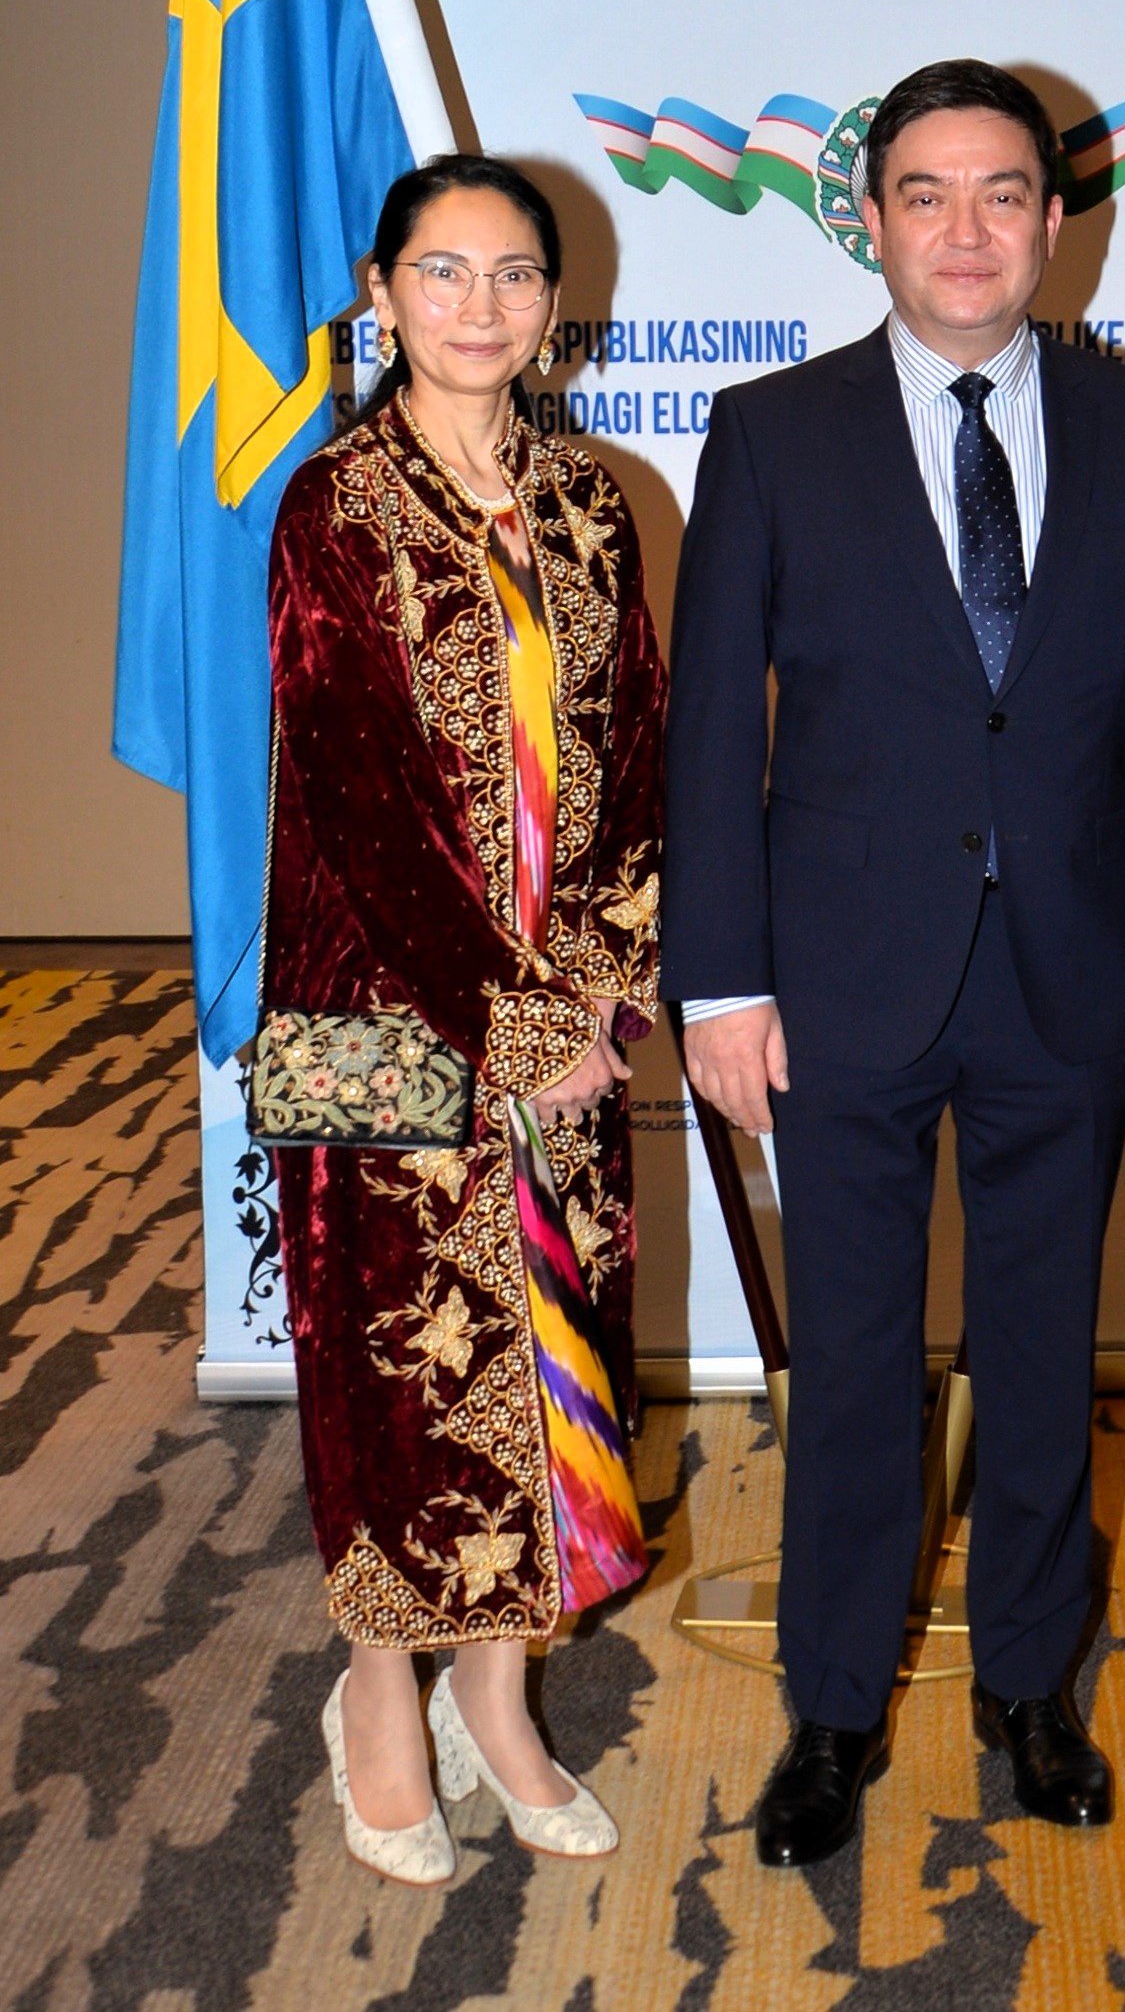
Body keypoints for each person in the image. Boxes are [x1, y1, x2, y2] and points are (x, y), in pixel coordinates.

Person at [661, 59, 1125, 1868]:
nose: (967, 230)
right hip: (834, 980)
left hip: (1073, 974)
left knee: (1041, 1346)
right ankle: (834, 1705)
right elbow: (711, 732)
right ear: (872, 222)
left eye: (1002, 193)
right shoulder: (770, 432)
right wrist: (717, 985)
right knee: (850, 1359)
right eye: (926, 194)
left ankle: (1026, 1686)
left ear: (1054, 222)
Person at [264, 153, 665, 1883]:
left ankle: (497, 1702)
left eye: (514, 275)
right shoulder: (336, 504)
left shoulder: (588, 499)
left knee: (557, 1360)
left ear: (555, 305)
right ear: (382, 293)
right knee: (405, 1378)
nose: (480, 306)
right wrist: (516, 1024)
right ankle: (378, 1694)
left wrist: (606, 975)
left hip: (568, 1016)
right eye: (444, 272)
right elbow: (360, 794)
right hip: (390, 1020)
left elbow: (638, 747)